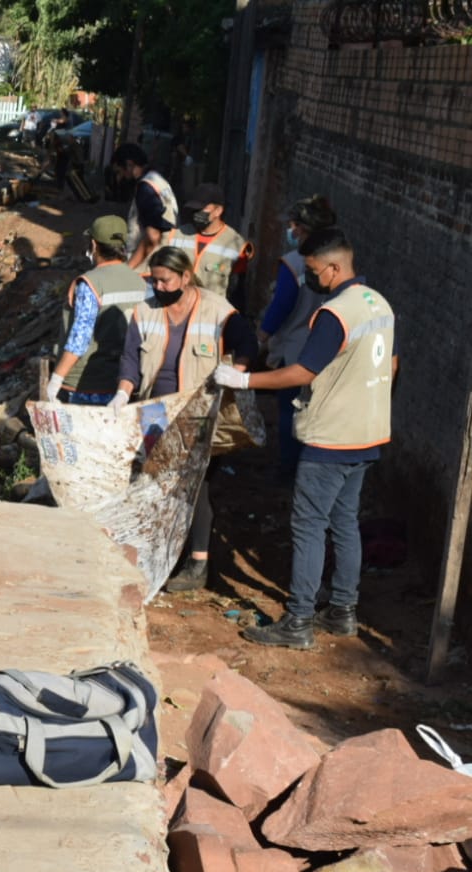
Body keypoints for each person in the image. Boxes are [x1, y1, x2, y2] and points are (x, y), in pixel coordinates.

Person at [213, 228, 396, 649]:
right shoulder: (379, 304)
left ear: (335, 267)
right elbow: (394, 364)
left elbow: (302, 373)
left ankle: (298, 621)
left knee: (310, 526)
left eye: (314, 271)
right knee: (344, 522)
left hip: (331, 437)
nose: (312, 279)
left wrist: (244, 379)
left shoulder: (336, 314)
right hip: (368, 433)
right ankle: (343, 612)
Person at [111, 246, 257, 591]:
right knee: (153, 482)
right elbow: (131, 358)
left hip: (198, 413)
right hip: (155, 411)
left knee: (195, 485)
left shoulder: (217, 310)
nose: (158, 287)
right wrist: (122, 390)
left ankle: (197, 563)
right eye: (154, 280)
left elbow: (247, 343)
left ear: (185, 277)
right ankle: (157, 554)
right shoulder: (144, 312)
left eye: (165, 280)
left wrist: (236, 372)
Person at [259, 195, 339, 476]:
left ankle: (288, 468)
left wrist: (263, 334)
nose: (290, 230)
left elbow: (281, 304)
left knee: (289, 410)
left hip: (295, 349)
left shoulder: (294, 263)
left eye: (294, 225)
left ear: (304, 229)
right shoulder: (338, 261)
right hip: (330, 349)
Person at [46, 216, 148, 404]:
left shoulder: (90, 283)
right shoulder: (141, 282)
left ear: (94, 245)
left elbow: (80, 338)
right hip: (126, 386)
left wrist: (57, 378)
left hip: (87, 384)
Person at [165, 183, 254, 307]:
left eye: (201, 209)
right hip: (177, 309)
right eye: (194, 210)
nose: (196, 214)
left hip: (210, 315)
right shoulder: (177, 235)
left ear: (218, 210)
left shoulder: (236, 244)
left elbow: (237, 290)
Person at [112, 143, 179, 271]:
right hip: (164, 259)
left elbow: (153, 236)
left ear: (129, 164)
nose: (120, 177)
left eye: (119, 171)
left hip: (147, 266)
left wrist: (129, 268)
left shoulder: (146, 188)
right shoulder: (158, 180)